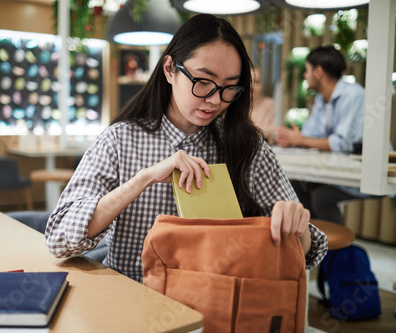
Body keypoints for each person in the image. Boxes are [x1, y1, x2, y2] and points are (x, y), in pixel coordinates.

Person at [45, 14, 327, 282]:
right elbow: (59, 239)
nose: (216, 100)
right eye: (203, 82)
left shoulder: (247, 147)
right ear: (170, 69)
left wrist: (297, 227)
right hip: (132, 301)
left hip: (216, 304)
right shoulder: (119, 140)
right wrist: (145, 178)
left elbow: (309, 252)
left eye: (229, 87)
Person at [276, 45, 367, 225]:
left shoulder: (353, 95)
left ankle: (338, 252)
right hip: (334, 168)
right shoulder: (321, 98)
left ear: (318, 71)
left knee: (321, 198)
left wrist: (302, 140)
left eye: (307, 70)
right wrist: (295, 140)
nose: (305, 75)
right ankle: (313, 243)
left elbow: (342, 143)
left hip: (363, 172)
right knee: (295, 187)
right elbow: (312, 134)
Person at [250, 68, 276, 143]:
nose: (253, 86)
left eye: (257, 82)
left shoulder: (268, 103)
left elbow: (269, 132)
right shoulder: (235, 104)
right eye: (249, 81)